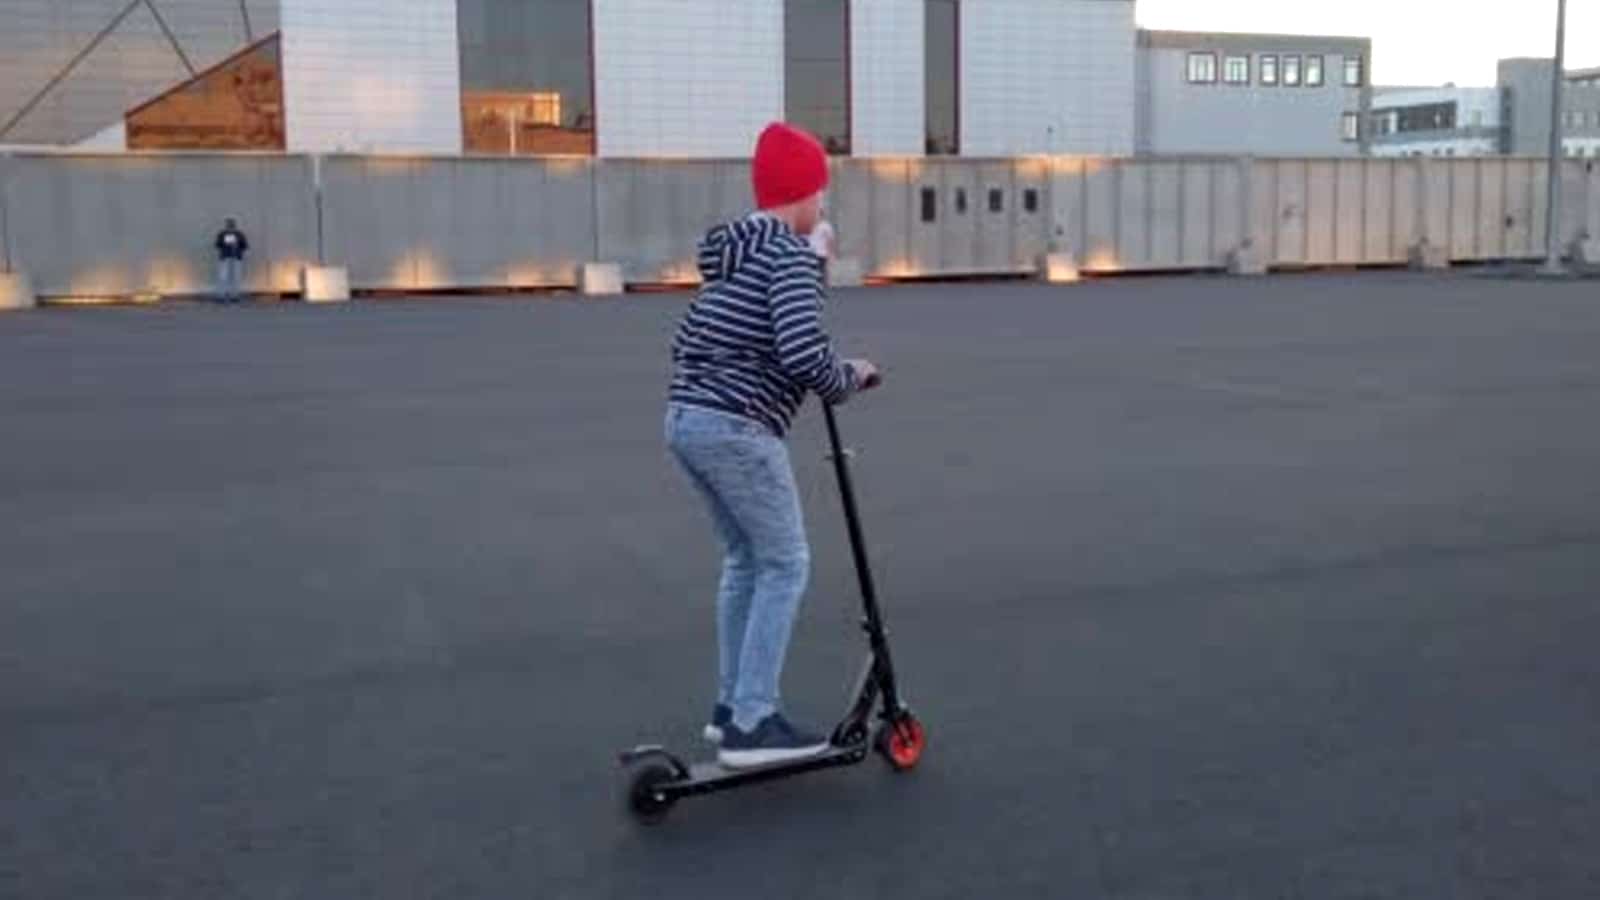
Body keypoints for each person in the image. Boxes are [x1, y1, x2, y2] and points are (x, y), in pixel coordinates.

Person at [665, 122, 880, 770]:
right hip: (737, 427)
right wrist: (848, 378)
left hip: (689, 419)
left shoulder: (740, 251)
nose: (824, 204)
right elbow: (802, 349)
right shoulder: (787, 256)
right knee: (785, 564)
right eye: (820, 192)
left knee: (745, 560)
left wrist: (812, 264)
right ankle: (753, 725)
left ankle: (731, 708)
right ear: (803, 194)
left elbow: (760, 330)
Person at [214, 218, 249, 303]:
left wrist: (238, 245)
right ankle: (222, 295)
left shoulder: (240, 234)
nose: (230, 227)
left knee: (236, 277)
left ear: (235, 226)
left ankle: (235, 295)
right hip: (224, 257)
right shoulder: (222, 234)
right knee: (223, 277)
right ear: (226, 226)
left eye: (232, 225)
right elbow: (217, 245)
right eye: (229, 225)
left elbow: (245, 245)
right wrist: (224, 243)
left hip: (236, 258)